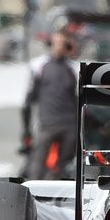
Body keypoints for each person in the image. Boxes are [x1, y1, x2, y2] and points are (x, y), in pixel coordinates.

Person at [21, 30, 79, 180]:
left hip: (70, 124)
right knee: (37, 164)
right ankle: (34, 192)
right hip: (47, 123)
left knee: (63, 166)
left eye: (63, 43)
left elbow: (80, 97)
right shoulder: (39, 66)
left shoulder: (74, 68)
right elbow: (28, 100)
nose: (59, 47)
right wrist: (26, 130)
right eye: (56, 43)